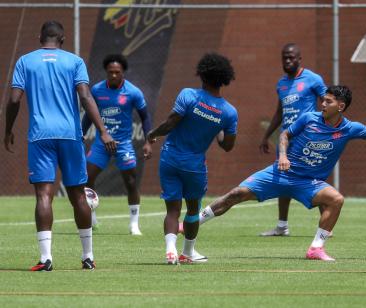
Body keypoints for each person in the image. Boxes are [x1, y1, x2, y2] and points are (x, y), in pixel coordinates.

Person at [198, 85, 366, 261]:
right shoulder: (309, 118)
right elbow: (284, 135)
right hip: (281, 173)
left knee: (336, 200)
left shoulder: (349, 128)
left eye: (328, 101)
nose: (323, 104)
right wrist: (282, 156)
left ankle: (316, 249)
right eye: (323, 100)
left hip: (309, 182)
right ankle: (191, 223)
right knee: (237, 193)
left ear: (341, 106)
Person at [3, 21, 116, 271]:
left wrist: (8, 129)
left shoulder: (25, 61)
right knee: (78, 195)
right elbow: (86, 97)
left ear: (40, 37)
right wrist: (103, 131)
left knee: (44, 195)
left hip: (40, 135)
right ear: (62, 39)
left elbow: (13, 100)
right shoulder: (74, 61)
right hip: (70, 135)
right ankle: (87, 257)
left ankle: (46, 259)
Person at [146, 53, 238, 264]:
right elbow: (227, 146)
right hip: (194, 165)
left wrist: (153, 134)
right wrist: (217, 128)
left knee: (172, 209)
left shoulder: (188, 95)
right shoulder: (229, 112)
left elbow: (171, 123)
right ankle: (187, 252)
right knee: (193, 208)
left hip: (170, 158)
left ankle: (170, 251)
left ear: (202, 74)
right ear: (225, 79)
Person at [259, 43, 327, 237]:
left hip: (307, 138)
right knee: (283, 179)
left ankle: (326, 226)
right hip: (286, 140)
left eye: (291, 57)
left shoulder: (313, 79)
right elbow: (279, 112)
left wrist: (323, 128)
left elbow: (328, 103)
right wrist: (266, 135)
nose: (288, 61)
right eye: (284, 57)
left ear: (299, 59)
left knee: (314, 178)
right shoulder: (281, 83)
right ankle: (282, 226)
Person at [82, 54, 152, 235]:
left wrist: (147, 141)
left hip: (123, 144)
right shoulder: (97, 90)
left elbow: (145, 117)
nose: (113, 75)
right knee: (87, 178)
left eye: (117, 72)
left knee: (130, 182)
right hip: (101, 144)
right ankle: (92, 218)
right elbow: (89, 115)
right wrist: (81, 133)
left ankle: (134, 224)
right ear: (106, 72)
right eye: (110, 72)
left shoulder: (133, 92)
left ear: (123, 73)